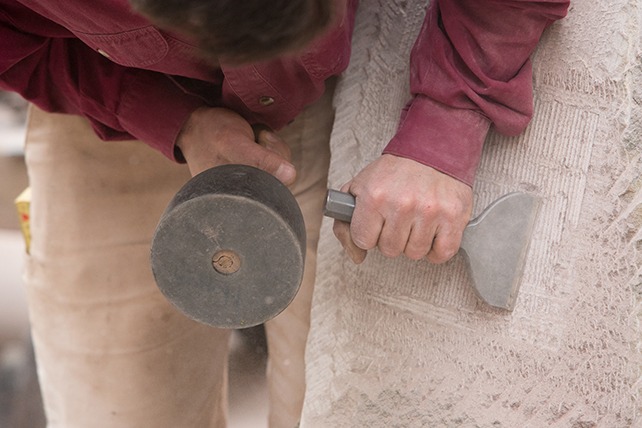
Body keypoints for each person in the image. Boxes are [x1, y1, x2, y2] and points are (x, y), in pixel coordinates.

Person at [0, 0, 569, 426]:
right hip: (104, 101)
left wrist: (445, 119)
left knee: (337, 402)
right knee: (115, 406)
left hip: (332, 91)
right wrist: (170, 116)